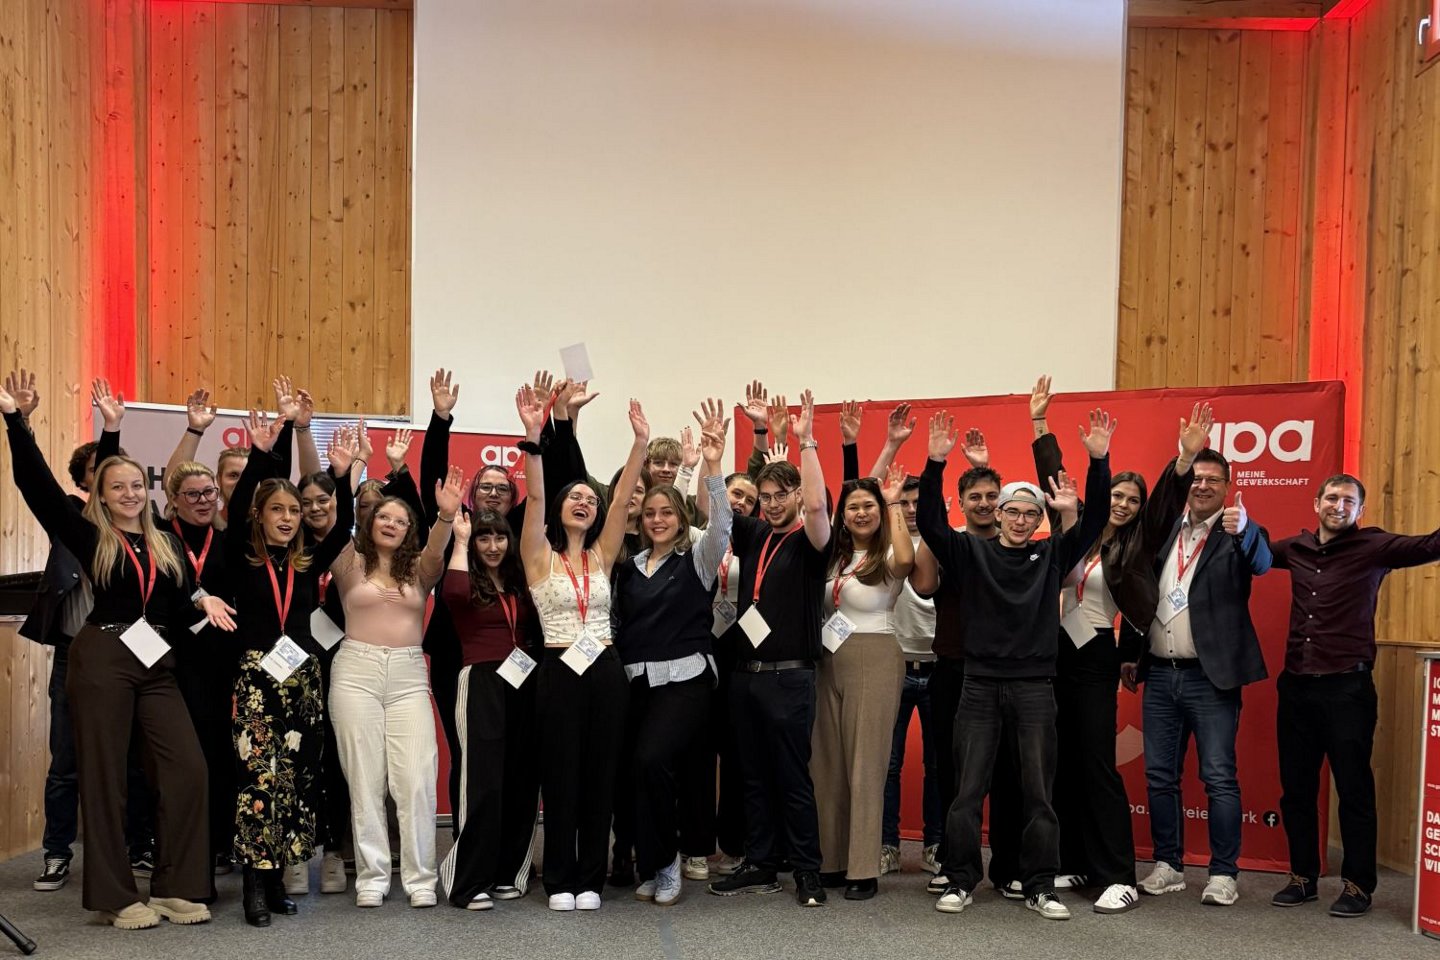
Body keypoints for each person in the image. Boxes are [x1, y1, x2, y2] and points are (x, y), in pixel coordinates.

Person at [2, 377, 216, 931]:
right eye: (116, 486)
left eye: (136, 485)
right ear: (100, 494)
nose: (129, 493)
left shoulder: (165, 540)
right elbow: (36, 487)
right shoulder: (90, 536)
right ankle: (115, 896)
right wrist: (16, 423)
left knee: (188, 770)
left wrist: (202, 597)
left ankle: (175, 886)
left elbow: (180, 594)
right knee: (105, 779)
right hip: (102, 658)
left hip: (157, 663)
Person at [920, 406, 1114, 920]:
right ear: (999, 515)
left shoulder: (1051, 556)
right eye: (1014, 511)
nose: (1022, 519)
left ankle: (1040, 885)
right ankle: (961, 879)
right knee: (966, 792)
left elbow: (1095, 518)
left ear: (1039, 519)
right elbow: (930, 523)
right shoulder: (969, 552)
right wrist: (935, 463)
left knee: (1038, 794)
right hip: (979, 686)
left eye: (1031, 513)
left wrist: (1099, 461)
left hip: (1034, 688)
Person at [1032, 379, 1213, 915]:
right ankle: (1075, 860)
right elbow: (1054, 481)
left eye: (1132, 500)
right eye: (1117, 496)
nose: (1124, 504)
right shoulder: (1078, 531)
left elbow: (1165, 505)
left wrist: (1185, 459)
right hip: (1051, 655)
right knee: (1061, 761)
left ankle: (1117, 875)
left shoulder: (1140, 542)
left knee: (1096, 762)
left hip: (1094, 656)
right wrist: (1040, 424)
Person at [1267, 474, 1440, 918]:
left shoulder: (1375, 546)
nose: (1338, 506)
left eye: (1348, 501)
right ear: (1316, 503)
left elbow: (1430, 545)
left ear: (1360, 510)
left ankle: (1358, 885)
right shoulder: (1294, 548)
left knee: (1354, 788)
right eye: (1332, 497)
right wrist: (1241, 527)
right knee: (1296, 790)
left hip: (1348, 689)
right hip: (1296, 686)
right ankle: (1302, 878)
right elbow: (1254, 554)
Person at [220, 409, 357, 927]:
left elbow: (341, 526)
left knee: (298, 780)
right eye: (276, 510)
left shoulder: (306, 560)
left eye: (294, 511)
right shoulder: (243, 556)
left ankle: (277, 881)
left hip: (302, 680)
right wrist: (261, 453)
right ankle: (254, 884)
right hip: (257, 680)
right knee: (260, 780)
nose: (287, 518)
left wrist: (341, 476)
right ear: (259, 515)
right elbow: (236, 509)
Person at [515, 384, 649, 912]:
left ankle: (591, 876)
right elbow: (536, 499)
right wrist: (533, 437)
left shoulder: (602, 555)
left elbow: (623, 497)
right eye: (576, 497)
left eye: (590, 500)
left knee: (600, 774)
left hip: (605, 668)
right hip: (557, 667)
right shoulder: (537, 554)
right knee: (561, 775)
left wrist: (639, 444)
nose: (585, 503)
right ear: (561, 507)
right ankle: (560, 879)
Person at [1127, 448, 1271, 907]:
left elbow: (1262, 561)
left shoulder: (1238, 532)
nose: (1202, 486)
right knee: (1159, 777)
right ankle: (1168, 864)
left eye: (1213, 479)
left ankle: (1223, 873)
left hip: (1210, 679)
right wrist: (1131, 655)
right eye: (1196, 478)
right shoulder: (1164, 531)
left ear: (1227, 486)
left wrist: (1245, 530)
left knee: (1219, 777)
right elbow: (1140, 594)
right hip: (1159, 674)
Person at [706, 390, 832, 909]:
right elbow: (717, 516)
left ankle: (806, 871)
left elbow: (819, 506)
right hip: (746, 675)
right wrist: (714, 464)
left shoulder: (812, 542)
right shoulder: (756, 534)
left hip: (790, 676)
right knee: (752, 776)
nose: (774, 503)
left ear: (796, 496)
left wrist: (807, 443)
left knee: (791, 777)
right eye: (767, 496)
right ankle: (760, 863)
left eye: (783, 495)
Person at [328, 463, 464, 909]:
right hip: (356, 673)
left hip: (408, 675)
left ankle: (421, 877)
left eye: (400, 520)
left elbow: (437, 548)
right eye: (383, 517)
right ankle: (373, 876)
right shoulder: (350, 563)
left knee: (417, 779)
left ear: (409, 531)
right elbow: (333, 522)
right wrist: (341, 474)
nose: (390, 524)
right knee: (365, 779)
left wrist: (446, 516)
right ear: (369, 523)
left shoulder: (420, 571)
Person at [615, 402, 733, 906]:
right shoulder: (630, 567)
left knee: (653, 759)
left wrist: (713, 465)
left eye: (666, 512)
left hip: (686, 682)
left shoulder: (697, 559)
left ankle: (667, 864)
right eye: (650, 513)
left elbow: (722, 525)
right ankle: (652, 861)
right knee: (641, 772)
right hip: (637, 682)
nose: (658, 519)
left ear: (680, 518)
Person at [908, 441, 1022, 900]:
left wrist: (984, 468)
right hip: (954, 668)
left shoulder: (1016, 544)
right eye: (975, 496)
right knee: (953, 772)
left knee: (1007, 772)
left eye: (992, 496)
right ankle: (956, 865)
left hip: (1006, 673)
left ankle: (1009, 867)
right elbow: (924, 579)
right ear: (960, 502)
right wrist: (935, 467)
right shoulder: (950, 546)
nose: (985, 503)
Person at [813, 466, 914, 900]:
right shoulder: (834, 557)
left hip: (875, 654)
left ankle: (863, 867)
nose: (860, 513)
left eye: (868, 506)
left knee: (866, 765)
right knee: (827, 763)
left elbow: (908, 562)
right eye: (852, 506)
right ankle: (832, 860)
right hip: (828, 657)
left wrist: (892, 502)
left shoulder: (889, 553)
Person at [437, 510, 542, 910]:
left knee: (521, 778)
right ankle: (468, 881)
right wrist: (461, 539)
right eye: (485, 538)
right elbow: (453, 594)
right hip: (481, 681)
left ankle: (508, 872)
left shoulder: (517, 580)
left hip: (524, 681)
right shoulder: (467, 578)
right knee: (483, 782)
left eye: (500, 538)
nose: (493, 546)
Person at [881, 475, 942, 877]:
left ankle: (934, 845)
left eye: (919, 502)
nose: (912, 509)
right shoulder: (885, 543)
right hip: (894, 666)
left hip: (939, 668)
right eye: (904, 502)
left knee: (938, 765)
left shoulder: (948, 541)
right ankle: (887, 844)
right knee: (887, 764)